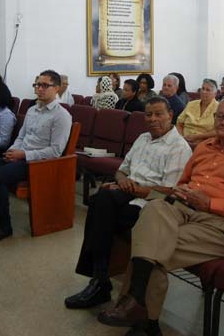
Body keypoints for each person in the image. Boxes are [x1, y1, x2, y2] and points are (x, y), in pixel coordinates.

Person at [96, 97, 224, 336]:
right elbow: (182, 182)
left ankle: (143, 319)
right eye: (220, 116)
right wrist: (184, 192)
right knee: (153, 209)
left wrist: (210, 202)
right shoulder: (206, 147)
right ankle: (141, 312)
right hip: (185, 209)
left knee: (152, 246)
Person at [64, 97, 192, 310]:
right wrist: (121, 182)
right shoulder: (143, 138)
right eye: (148, 114)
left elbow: (170, 191)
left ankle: (100, 281)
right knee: (100, 201)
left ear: (171, 115)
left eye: (159, 114)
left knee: (101, 205)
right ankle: (100, 279)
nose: (153, 119)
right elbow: (122, 169)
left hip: (152, 203)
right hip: (129, 192)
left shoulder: (179, 147)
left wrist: (128, 187)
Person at [0, 70, 71, 243]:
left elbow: (55, 151)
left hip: (38, 163)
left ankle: (4, 227)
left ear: (56, 88)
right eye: (37, 85)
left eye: (44, 85)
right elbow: (21, 137)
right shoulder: (33, 110)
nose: (39, 89)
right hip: (19, 155)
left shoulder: (61, 116)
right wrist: (13, 151)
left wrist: (23, 154)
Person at [176, 78, 218, 145]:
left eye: (208, 90)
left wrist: (197, 136)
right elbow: (179, 123)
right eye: (203, 89)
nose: (204, 92)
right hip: (184, 141)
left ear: (215, 93)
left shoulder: (219, 108)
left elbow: (218, 131)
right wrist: (181, 138)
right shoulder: (191, 104)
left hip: (205, 143)